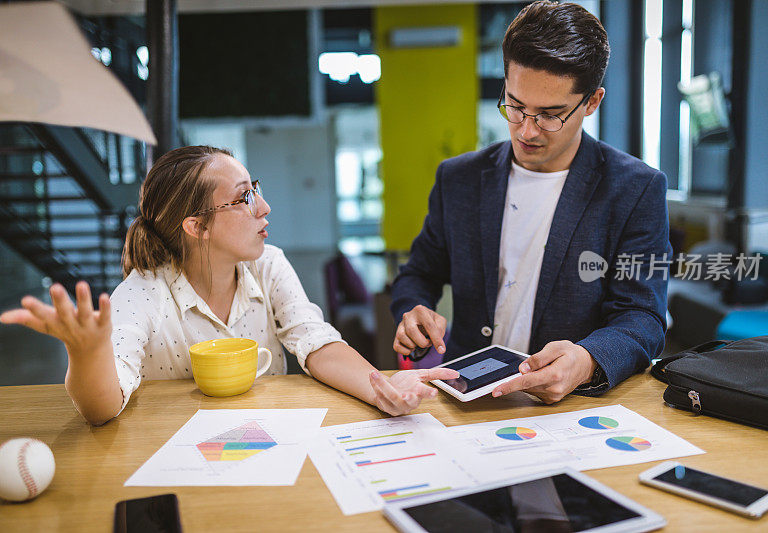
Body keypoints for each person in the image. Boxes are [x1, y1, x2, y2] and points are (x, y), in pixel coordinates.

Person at [0, 146, 457, 425]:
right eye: (243, 198)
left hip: (265, 442)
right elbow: (101, 407)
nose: (264, 208)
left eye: (253, 188)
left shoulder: (268, 265)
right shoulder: (143, 292)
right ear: (196, 226)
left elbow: (314, 340)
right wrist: (86, 353)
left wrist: (383, 387)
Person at [391, 1, 670, 404]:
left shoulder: (635, 188)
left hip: (570, 407)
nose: (527, 130)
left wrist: (589, 358)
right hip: (469, 396)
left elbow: (643, 316)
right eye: (516, 106)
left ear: (591, 102)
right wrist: (413, 309)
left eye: (549, 115)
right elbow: (419, 272)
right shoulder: (460, 178)